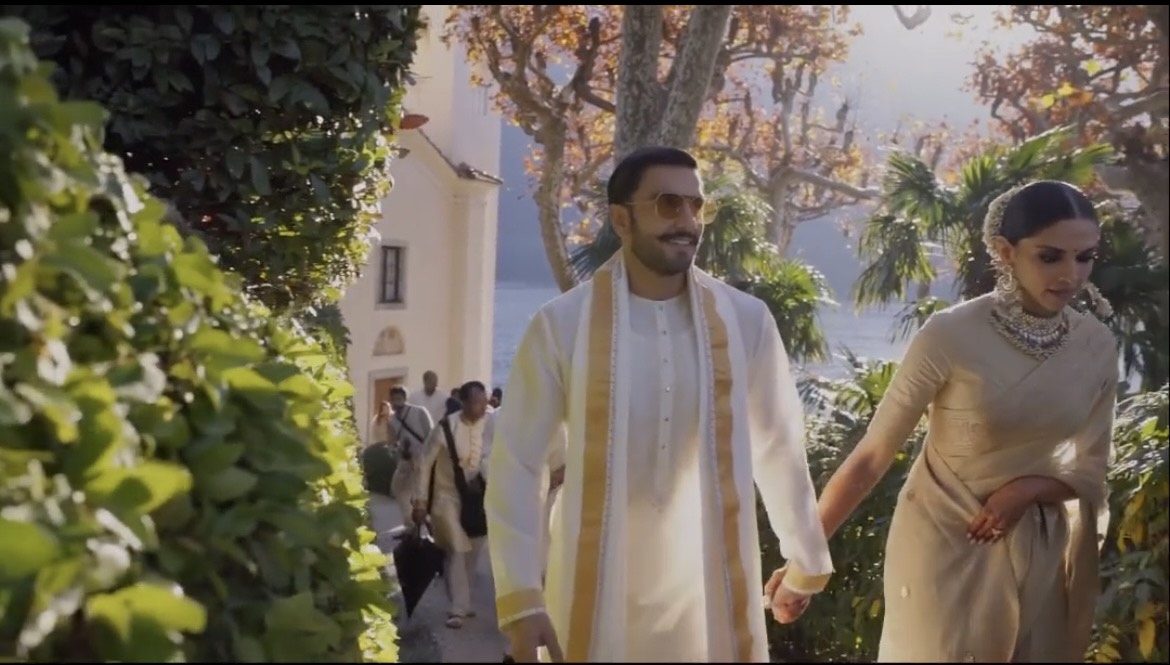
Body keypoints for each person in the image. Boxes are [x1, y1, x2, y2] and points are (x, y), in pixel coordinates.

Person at [486, 146, 833, 662]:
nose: (687, 221)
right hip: (596, 588)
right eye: (668, 204)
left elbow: (778, 445)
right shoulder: (561, 325)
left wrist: (803, 560)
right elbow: (518, 462)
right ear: (621, 219)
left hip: (707, 586)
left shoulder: (747, 321)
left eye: (697, 205)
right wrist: (521, 598)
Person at [816, 180, 1120, 663]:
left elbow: (1092, 470)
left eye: (1085, 257)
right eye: (1050, 257)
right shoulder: (950, 335)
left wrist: (1027, 490)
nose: (1071, 274)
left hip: (1039, 552)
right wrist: (806, 560)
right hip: (943, 542)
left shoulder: (1096, 345)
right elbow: (873, 456)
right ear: (1006, 251)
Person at [412, 380, 496, 629]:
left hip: (479, 497)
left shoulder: (493, 425)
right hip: (446, 497)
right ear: (463, 402)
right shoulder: (445, 427)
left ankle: (463, 599)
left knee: (474, 549)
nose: (481, 407)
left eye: (484, 401)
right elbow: (424, 464)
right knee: (458, 548)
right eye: (476, 402)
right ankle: (458, 608)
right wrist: (420, 501)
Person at [386, 386, 434, 525]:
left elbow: (431, 435)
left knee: (421, 494)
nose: (396, 402)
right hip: (405, 460)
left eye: (399, 398)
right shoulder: (392, 420)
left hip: (422, 459)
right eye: (394, 399)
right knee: (398, 488)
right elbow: (391, 443)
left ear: (405, 399)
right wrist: (397, 451)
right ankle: (409, 522)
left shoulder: (420, 412)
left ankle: (425, 522)